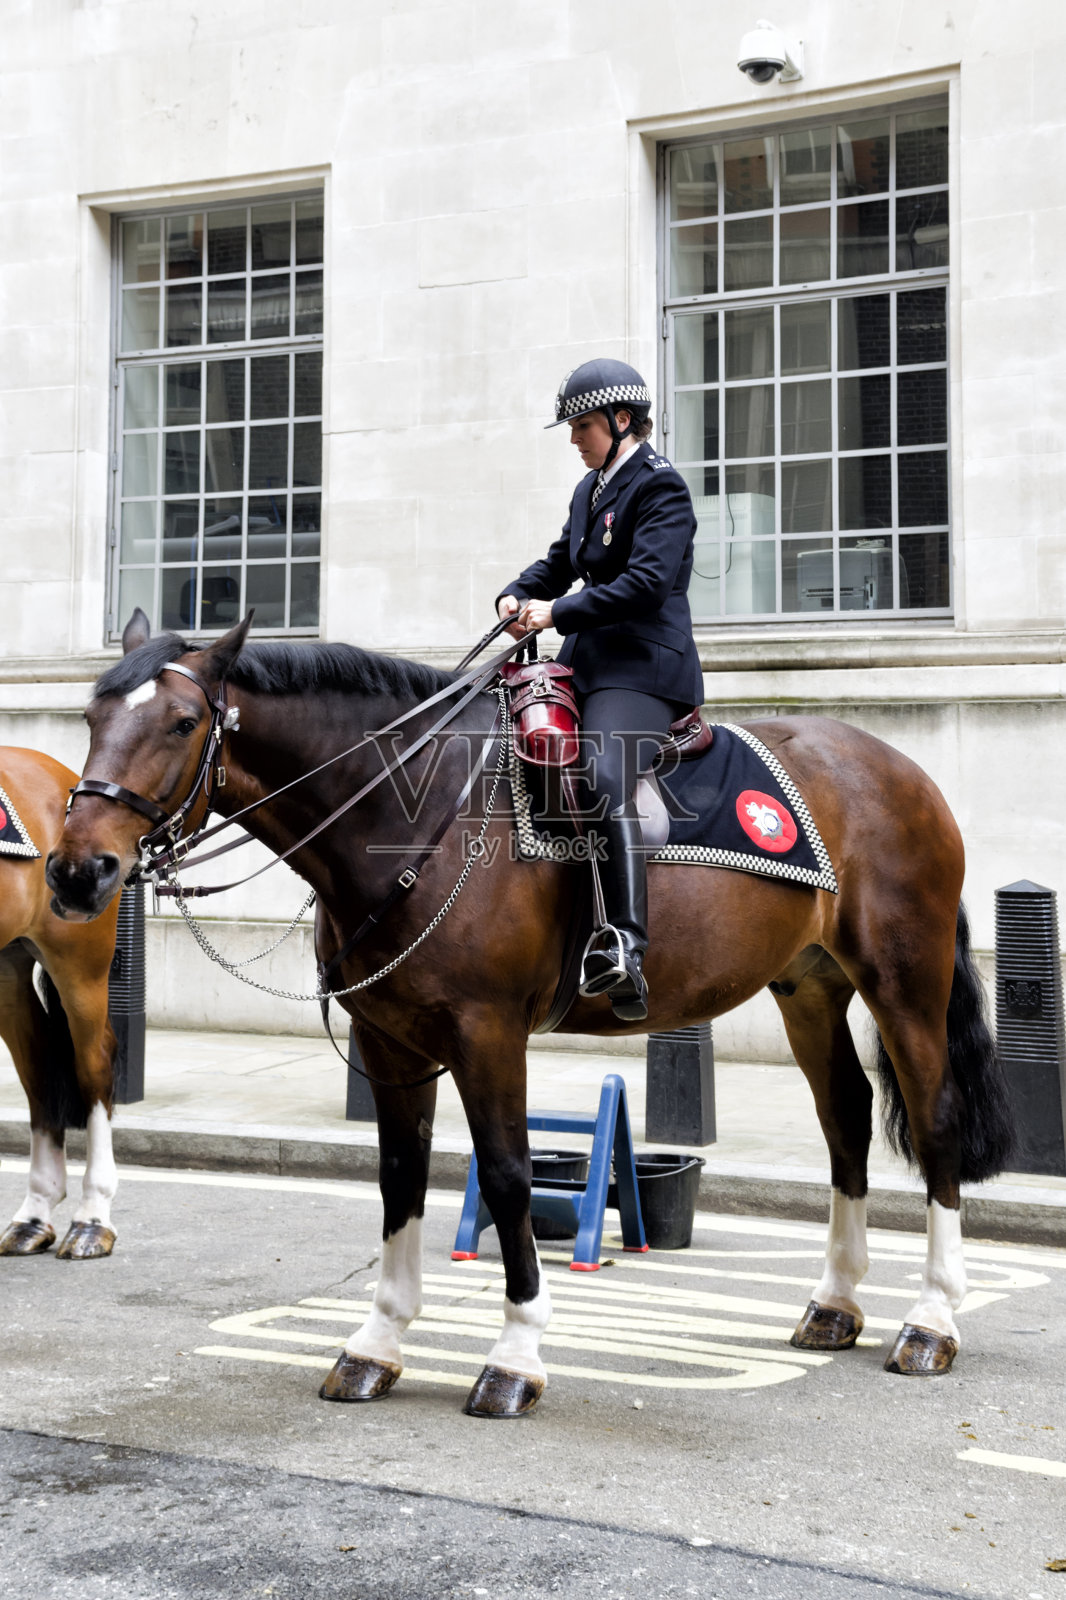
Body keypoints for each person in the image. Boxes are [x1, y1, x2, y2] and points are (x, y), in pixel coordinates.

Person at [496, 358, 703, 1022]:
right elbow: (561, 562)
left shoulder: (661, 486)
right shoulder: (591, 488)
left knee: (603, 773)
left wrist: (555, 613)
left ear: (620, 421)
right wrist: (518, 594)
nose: (573, 438)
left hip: (643, 668)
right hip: (585, 662)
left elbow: (646, 584)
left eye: (582, 425)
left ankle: (625, 944)